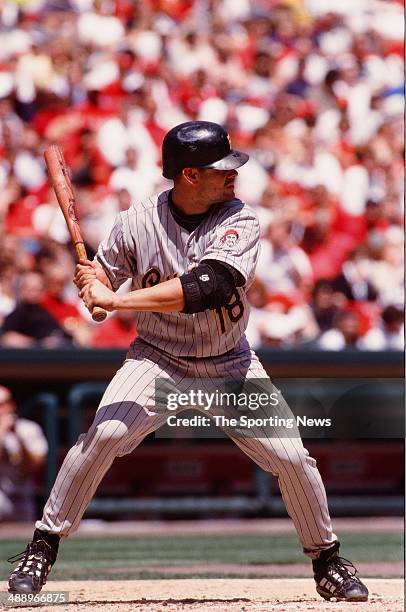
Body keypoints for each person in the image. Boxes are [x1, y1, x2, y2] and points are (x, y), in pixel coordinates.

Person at [8, 121, 368, 602]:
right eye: (221, 169)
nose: (232, 175)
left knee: (289, 455)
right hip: (156, 360)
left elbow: (207, 288)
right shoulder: (134, 221)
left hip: (228, 364)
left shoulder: (240, 219)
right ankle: (43, 546)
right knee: (105, 435)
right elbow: (103, 289)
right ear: (189, 176)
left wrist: (117, 302)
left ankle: (327, 559)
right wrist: (94, 288)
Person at [0, 386, 48, 522]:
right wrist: (3, 432)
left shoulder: (28, 428)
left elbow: (36, 464)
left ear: (12, 404)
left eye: (5, 403)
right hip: (1, 495)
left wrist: (18, 436)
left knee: (24, 539)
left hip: (24, 498)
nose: (3, 409)